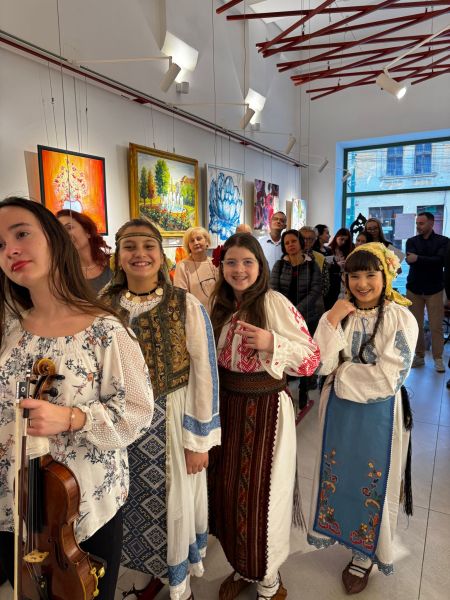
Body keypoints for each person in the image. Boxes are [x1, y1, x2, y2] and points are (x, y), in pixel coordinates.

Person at [0, 197, 154, 600]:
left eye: (21, 234)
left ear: (55, 241)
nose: (10, 250)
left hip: (79, 509)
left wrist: (72, 417)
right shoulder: (10, 329)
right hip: (15, 504)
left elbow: (137, 412)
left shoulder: (105, 330)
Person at [101, 218, 220, 600]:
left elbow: (204, 372)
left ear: (162, 254)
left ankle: (177, 584)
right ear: (118, 256)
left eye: (148, 246)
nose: (140, 254)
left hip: (170, 417)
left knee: (172, 504)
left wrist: (198, 440)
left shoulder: (185, 304)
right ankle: (140, 573)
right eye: (130, 246)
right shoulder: (102, 305)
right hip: (117, 422)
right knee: (124, 500)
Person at [208, 232, 320, 600]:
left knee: (262, 499)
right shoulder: (220, 305)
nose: (239, 270)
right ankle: (244, 566)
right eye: (231, 262)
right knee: (230, 494)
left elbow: (312, 360)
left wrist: (274, 342)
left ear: (260, 266)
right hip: (228, 410)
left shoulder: (275, 303)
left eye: (247, 262)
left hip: (265, 412)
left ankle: (269, 580)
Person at [308, 242, 418, 595]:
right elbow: (320, 364)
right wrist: (331, 319)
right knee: (341, 477)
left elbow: (388, 379)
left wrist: (341, 373)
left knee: (373, 481)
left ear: (386, 276)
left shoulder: (400, 318)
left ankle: (365, 553)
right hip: (338, 413)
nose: (362, 283)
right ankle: (344, 534)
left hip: (379, 415)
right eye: (354, 275)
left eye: (371, 274)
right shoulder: (343, 313)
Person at [270, 229, 323, 409]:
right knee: (285, 352)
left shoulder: (312, 265)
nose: (290, 245)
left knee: (304, 354)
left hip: (307, 316)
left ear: (301, 243)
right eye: (287, 243)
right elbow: (273, 289)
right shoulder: (279, 265)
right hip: (283, 317)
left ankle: (304, 391)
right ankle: (284, 392)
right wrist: (287, 311)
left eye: (293, 241)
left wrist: (296, 311)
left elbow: (315, 290)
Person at [406, 211, 448, 372]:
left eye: (421, 223)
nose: (418, 226)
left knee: (436, 326)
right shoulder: (411, 241)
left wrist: (419, 258)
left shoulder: (443, 241)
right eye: (417, 223)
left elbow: (441, 261)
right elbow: (410, 260)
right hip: (414, 288)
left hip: (435, 289)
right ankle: (419, 356)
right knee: (415, 325)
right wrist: (428, 260)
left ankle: (438, 358)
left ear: (431, 223)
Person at [57, 209, 112, 293]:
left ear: (87, 232)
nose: (65, 235)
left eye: (69, 228)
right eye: (60, 232)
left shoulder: (114, 264)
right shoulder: (62, 274)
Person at [174, 226, 218, 310]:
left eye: (199, 239)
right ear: (189, 246)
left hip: (218, 314)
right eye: (192, 241)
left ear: (206, 241)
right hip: (196, 315)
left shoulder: (215, 263)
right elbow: (180, 297)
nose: (196, 243)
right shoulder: (182, 266)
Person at [325, 228, 354, 310]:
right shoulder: (328, 250)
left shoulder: (349, 251)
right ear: (336, 237)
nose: (343, 242)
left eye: (346, 240)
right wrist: (335, 265)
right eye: (341, 239)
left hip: (343, 282)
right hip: (330, 282)